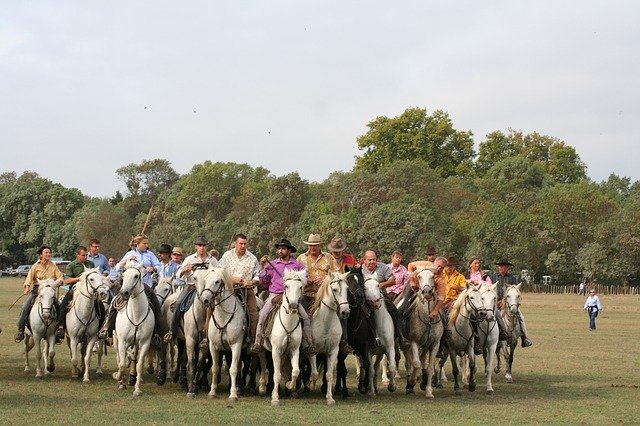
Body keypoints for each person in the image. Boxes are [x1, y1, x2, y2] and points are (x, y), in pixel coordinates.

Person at [251, 238, 316, 355]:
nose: (280, 251)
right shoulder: (273, 264)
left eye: (283, 249)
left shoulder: (297, 265)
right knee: (262, 315)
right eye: (279, 249)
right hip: (275, 295)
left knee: (305, 318)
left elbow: (304, 279)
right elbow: (264, 280)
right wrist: (262, 266)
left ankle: (308, 345)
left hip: (292, 296)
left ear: (289, 251)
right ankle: (258, 342)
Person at [98, 234, 163, 347]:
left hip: (144, 285)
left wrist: (154, 268)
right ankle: (107, 329)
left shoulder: (150, 254)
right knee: (114, 303)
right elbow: (117, 267)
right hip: (128, 286)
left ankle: (156, 334)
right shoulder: (129, 254)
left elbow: (159, 266)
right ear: (137, 244)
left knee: (156, 305)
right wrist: (125, 261)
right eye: (144, 243)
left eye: (147, 243)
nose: (146, 245)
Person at [163, 237, 217, 344]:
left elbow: (218, 274)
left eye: (204, 245)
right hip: (191, 287)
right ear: (196, 246)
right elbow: (178, 275)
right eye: (199, 245)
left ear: (207, 246)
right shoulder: (189, 259)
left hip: (208, 290)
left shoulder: (212, 260)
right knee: (178, 303)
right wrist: (184, 270)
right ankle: (172, 331)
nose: (202, 248)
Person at [15, 245, 64, 343]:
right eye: (46, 252)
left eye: (49, 252)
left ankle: (59, 330)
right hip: (37, 291)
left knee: (59, 306)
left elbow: (60, 277)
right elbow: (28, 279)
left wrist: (59, 281)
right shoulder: (35, 266)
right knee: (25, 306)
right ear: (41, 254)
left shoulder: (53, 266)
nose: (48, 254)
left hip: (49, 292)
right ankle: (21, 330)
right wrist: (27, 287)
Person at [362, 249, 409, 350]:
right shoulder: (360, 270)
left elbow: (393, 280)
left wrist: (381, 284)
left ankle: (401, 338)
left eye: (374, 259)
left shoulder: (383, 267)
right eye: (369, 260)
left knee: (395, 312)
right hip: (365, 300)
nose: (372, 262)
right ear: (364, 260)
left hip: (382, 297)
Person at [219, 233, 260, 346]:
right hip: (228, 289)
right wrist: (232, 279)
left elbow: (257, 276)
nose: (243, 246)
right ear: (235, 244)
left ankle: (253, 341)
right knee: (210, 308)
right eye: (240, 243)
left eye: (245, 244)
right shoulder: (226, 256)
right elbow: (218, 273)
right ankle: (206, 336)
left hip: (246, 290)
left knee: (253, 313)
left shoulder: (252, 258)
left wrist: (251, 282)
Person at [57, 246, 97, 341]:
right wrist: (80, 278)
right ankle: (60, 326)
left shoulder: (90, 264)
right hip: (75, 290)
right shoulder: (71, 265)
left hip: (89, 291)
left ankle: (101, 328)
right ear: (77, 255)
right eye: (83, 255)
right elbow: (67, 280)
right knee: (63, 305)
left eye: (86, 255)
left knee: (100, 306)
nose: (85, 257)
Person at [493, 259, 533, 347]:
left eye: (503, 266)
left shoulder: (512, 278)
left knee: (521, 316)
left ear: (507, 268)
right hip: (496, 303)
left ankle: (525, 338)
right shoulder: (494, 277)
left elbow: (516, 291)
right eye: (499, 266)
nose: (501, 268)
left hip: (509, 303)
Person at [297, 233, 339, 305]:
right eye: (310, 245)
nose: (312, 248)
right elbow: (295, 276)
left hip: (326, 294)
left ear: (319, 245)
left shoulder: (329, 257)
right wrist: (305, 279)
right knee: (301, 312)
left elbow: (338, 274)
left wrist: (325, 279)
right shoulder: (301, 258)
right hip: (307, 294)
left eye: (315, 245)